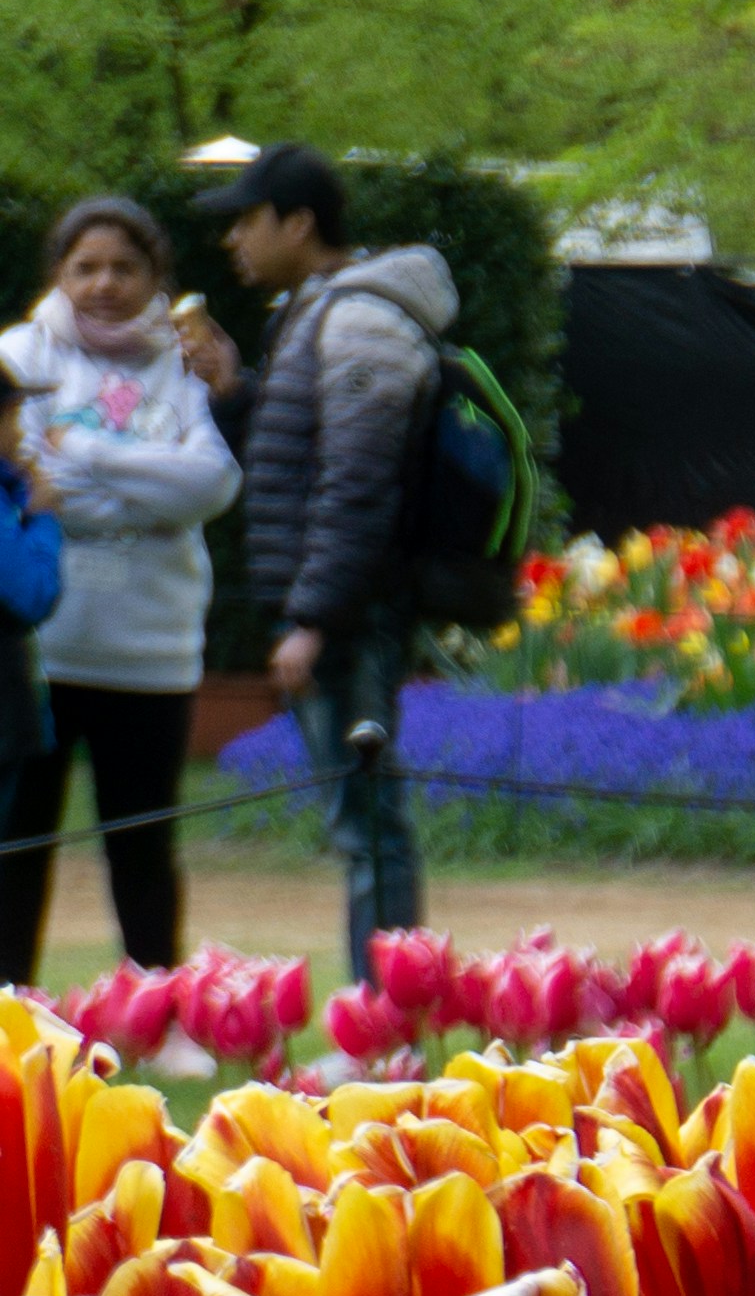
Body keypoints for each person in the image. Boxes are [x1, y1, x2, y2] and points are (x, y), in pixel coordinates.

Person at [201, 142, 455, 978]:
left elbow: (357, 485)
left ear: (299, 222)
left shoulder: (360, 319)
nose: (233, 238)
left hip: (353, 615)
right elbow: (298, 470)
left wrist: (311, 619)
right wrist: (237, 393)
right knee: (359, 816)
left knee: (368, 819)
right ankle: (383, 1009)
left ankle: (386, 1014)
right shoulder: (317, 311)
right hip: (340, 607)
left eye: (247, 219)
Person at [3, 198, 242, 1023]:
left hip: (153, 647)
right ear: (59, 275)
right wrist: (149, 487)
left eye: (125, 268)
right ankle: (13, 1011)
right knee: (18, 841)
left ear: (155, 278)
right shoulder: (17, 356)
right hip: (41, 648)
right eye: (86, 267)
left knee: (142, 842)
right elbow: (29, 483)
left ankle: (158, 1015)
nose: (105, 284)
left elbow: (211, 484)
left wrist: (88, 457)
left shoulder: (186, 362)